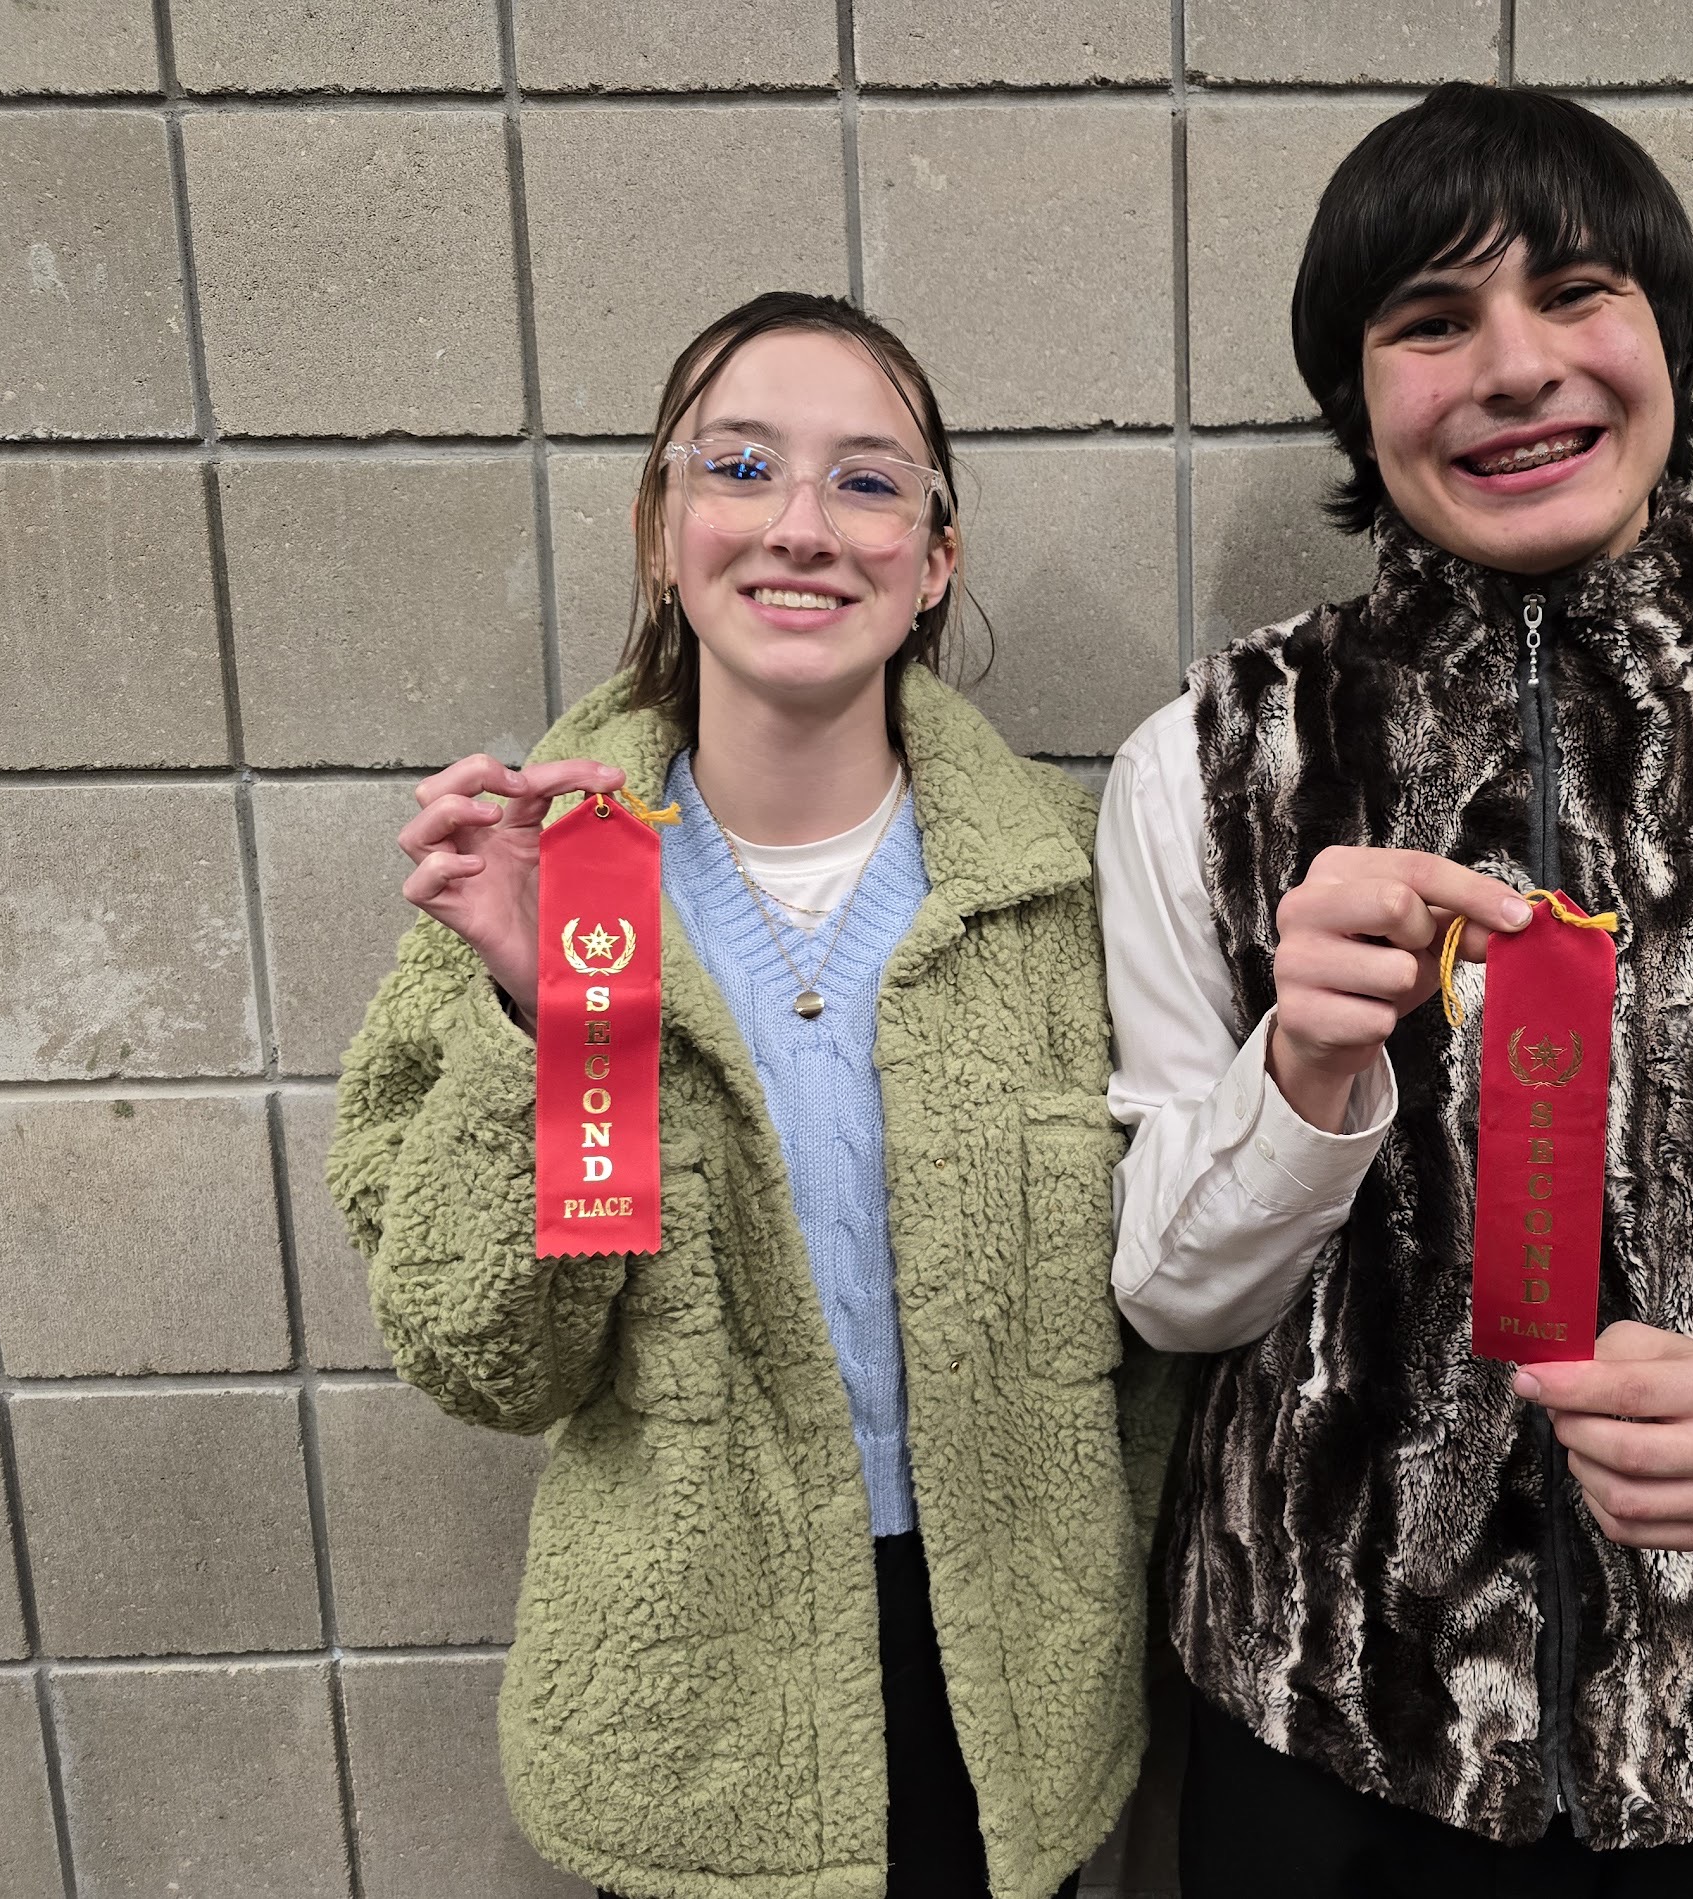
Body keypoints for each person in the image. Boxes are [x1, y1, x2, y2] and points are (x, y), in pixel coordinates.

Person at [1098, 84, 1693, 1895]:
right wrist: (1301, 1077)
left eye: (1578, 294)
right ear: (1357, 396)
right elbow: (1169, 1294)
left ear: (1667, 340)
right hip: (1319, 1716)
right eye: (1432, 321)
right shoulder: (1206, 764)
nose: (1517, 367)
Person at [329, 292, 1167, 1899]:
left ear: (935, 558)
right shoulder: (541, 886)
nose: (801, 526)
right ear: (663, 530)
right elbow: (490, 1361)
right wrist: (536, 1014)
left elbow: (1159, 1329)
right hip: (691, 1724)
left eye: (868, 481)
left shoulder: (1066, 887)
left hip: (1012, 1699)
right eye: (739, 466)